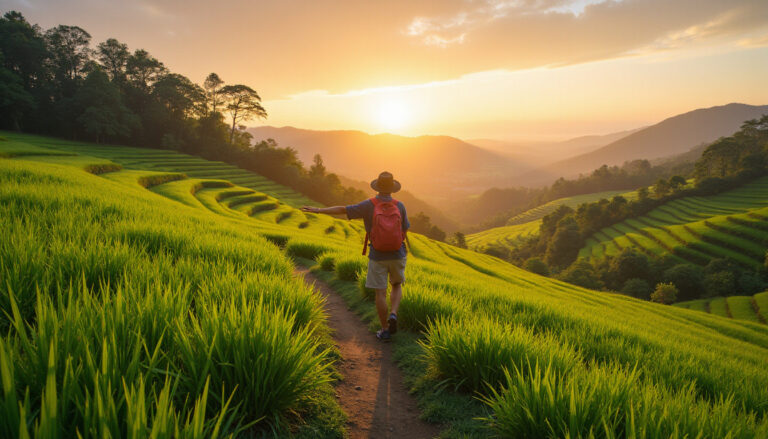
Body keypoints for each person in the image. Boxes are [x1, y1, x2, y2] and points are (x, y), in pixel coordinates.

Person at [301, 171, 409, 341]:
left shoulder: (369, 205)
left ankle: (385, 329)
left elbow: (343, 210)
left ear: (377, 187)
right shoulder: (400, 205)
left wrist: (319, 210)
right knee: (396, 285)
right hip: (397, 254)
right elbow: (405, 229)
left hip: (377, 255)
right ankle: (393, 313)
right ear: (392, 188)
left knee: (380, 293)